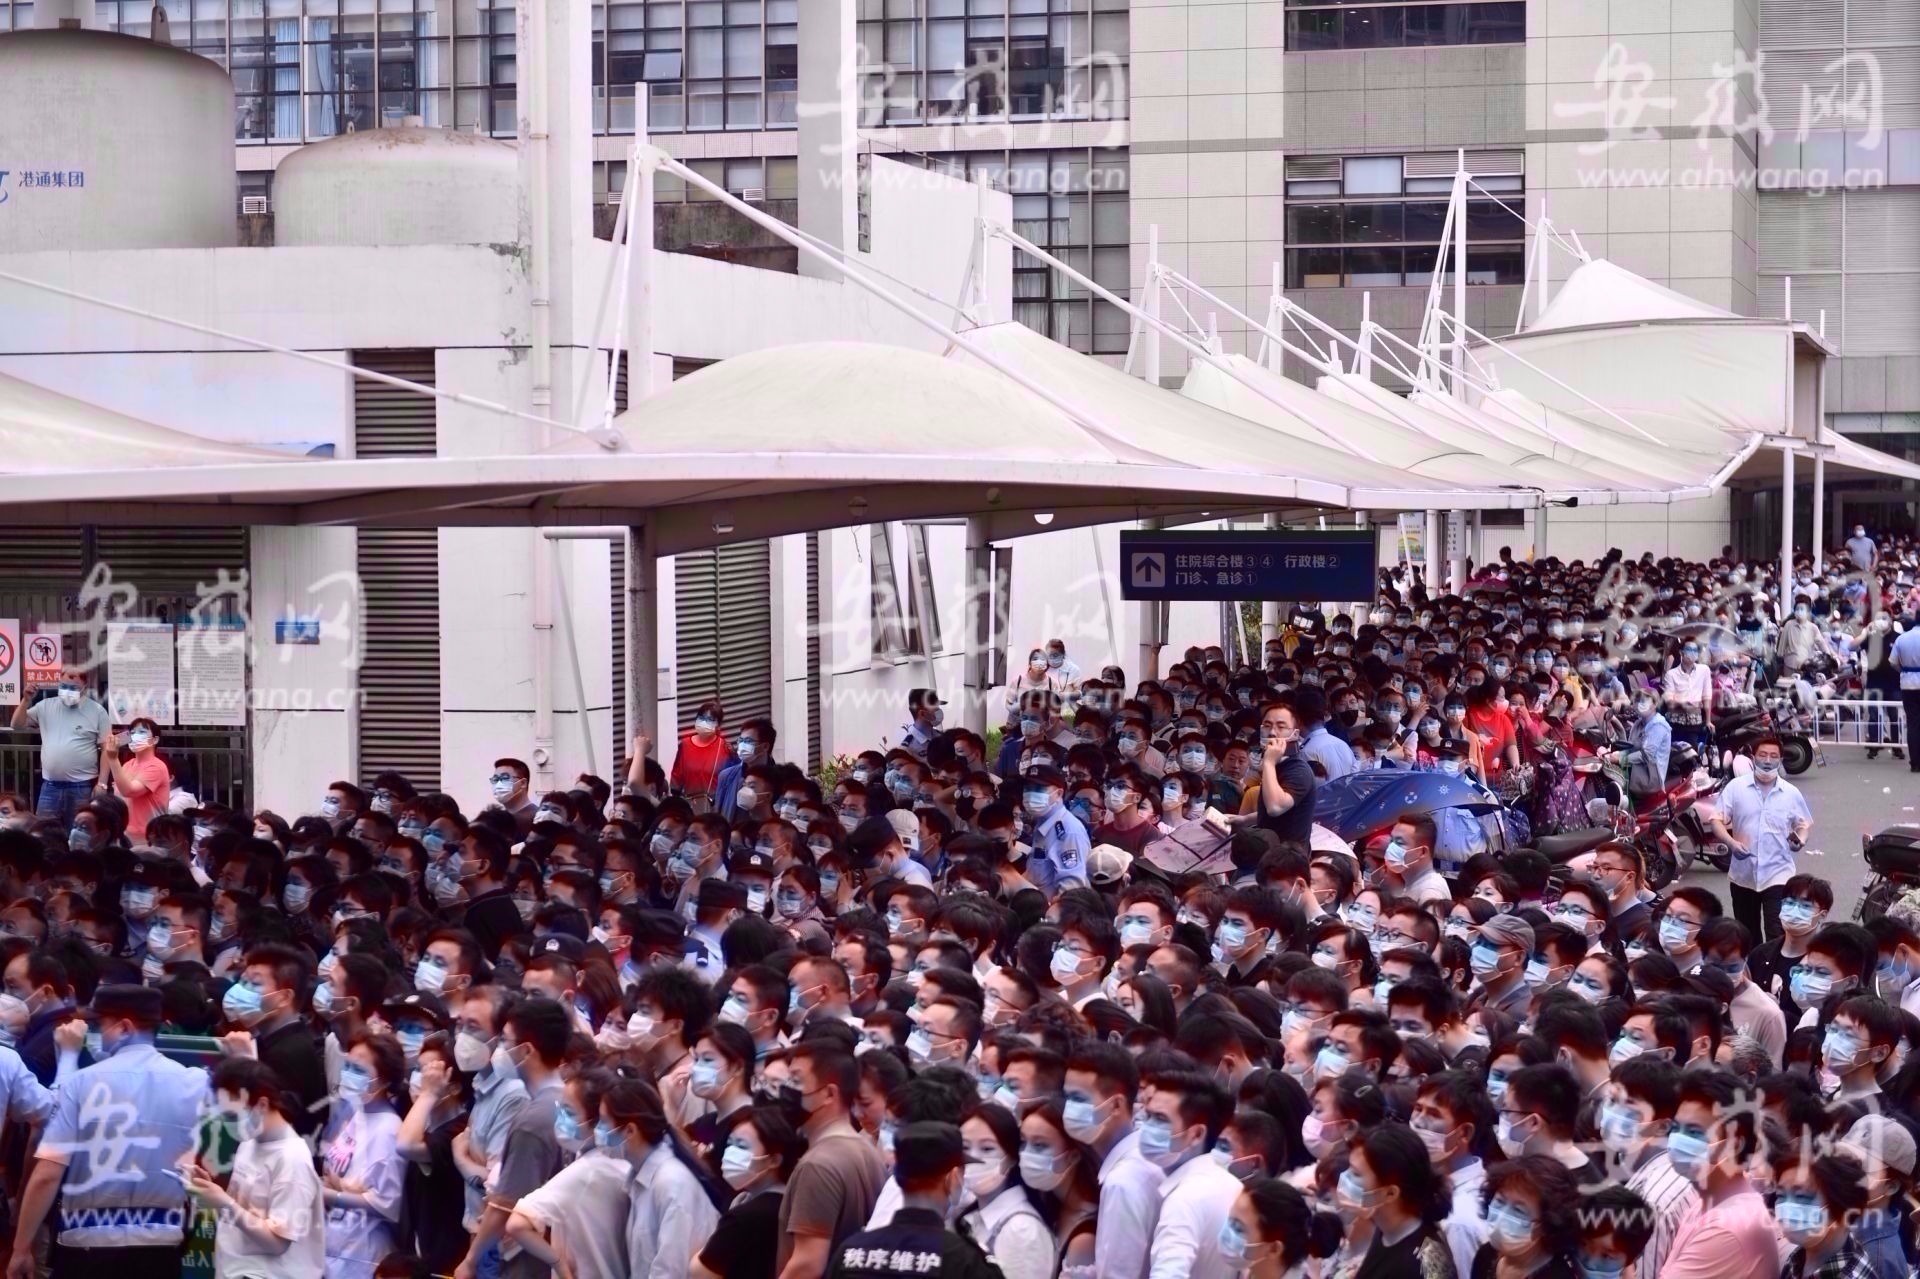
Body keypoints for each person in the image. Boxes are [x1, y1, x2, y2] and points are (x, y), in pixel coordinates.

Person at [7, 984, 206, 1279]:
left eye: (101, 1025)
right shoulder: (194, 1082)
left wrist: (21, 1247)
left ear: (124, 1026)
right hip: (161, 1244)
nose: (97, 1033)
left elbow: (48, 1173)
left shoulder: (80, 1083)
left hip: (88, 1244)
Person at [186, 1056, 328, 1279]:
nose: (228, 1123)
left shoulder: (292, 1160)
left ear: (262, 1104)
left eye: (233, 1114)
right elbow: (241, 1209)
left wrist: (225, 1204)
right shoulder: (249, 1143)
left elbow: (277, 1243)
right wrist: (211, 1192)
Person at [823, 1121, 1004, 1279]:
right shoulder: (967, 1261)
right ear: (952, 1177)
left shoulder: (851, 1252)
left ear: (899, 1177)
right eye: (962, 1172)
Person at [503, 1065, 630, 1279]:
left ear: (597, 1121)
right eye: (560, 1108)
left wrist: (560, 1266)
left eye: (569, 1112)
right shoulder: (619, 1161)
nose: (560, 1118)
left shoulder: (587, 1171)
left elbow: (517, 1224)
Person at [778, 1043, 888, 1279]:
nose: (786, 1090)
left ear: (829, 1093)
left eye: (796, 1081)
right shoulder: (868, 1151)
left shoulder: (817, 1165)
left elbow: (807, 1264)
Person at [1655, 1070, 1778, 1279]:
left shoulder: (1726, 1228)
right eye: (1676, 1128)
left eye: (1694, 1132)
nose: (1678, 1140)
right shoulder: (1708, 1201)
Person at [600, 1077, 722, 1279]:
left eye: (604, 1122)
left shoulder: (672, 1183)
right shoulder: (642, 1177)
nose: (599, 1131)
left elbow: (671, 1270)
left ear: (630, 1130)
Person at [321, 1031, 408, 1278]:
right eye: (347, 1066)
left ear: (384, 1080)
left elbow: (385, 1203)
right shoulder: (356, 1113)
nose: (349, 1074)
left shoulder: (389, 1129)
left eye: (359, 1070)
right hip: (335, 1241)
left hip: (364, 1252)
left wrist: (330, 1195)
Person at [1710, 735, 1812, 942]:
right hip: (1743, 874)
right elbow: (1716, 820)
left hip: (1779, 873)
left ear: (1780, 760)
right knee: (1747, 934)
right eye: (1763, 755)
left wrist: (1800, 840)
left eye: (1773, 756)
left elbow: (1803, 824)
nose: (1767, 760)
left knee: (1777, 932)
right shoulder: (1736, 788)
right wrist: (1731, 843)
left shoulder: (1791, 793)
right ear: (1753, 758)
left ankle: (1774, 963)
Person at [692, 1104, 802, 1279]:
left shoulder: (745, 1217)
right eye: (730, 1143)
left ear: (774, 1160)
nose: (731, 1153)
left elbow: (700, 1273)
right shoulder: (790, 1201)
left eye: (742, 1146)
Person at [1340, 1123, 1458, 1279]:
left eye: (1356, 1174)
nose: (1344, 1177)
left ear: (1390, 1193)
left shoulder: (1417, 1267)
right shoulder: (1385, 1226)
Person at [956, 1103, 1053, 1279]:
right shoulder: (972, 1217)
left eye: (987, 1149)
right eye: (965, 1148)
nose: (973, 1157)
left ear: (1012, 1158)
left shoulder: (1021, 1229)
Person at [7, 663, 110, 825]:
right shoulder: (45, 706)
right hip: (50, 786)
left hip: (81, 787)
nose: (68, 691)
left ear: (84, 686)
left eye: (73, 687)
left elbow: (107, 748)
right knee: (43, 830)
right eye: (64, 686)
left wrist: (102, 783)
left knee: (79, 829)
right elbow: (17, 725)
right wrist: (26, 700)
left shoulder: (97, 711)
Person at [1469, 1154, 1580, 1279]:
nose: (1502, 1216)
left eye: (1518, 1211)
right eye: (1500, 1201)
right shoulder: (1485, 1255)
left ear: (1546, 1225)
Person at [1219, 1178, 1344, 1279]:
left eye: (1239, 1229)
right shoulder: (1251, 1271)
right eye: (1230, 1219)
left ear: (1274, 1248)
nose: (1226, 1232)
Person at [103, 717, 172, 844]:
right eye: (133, 732)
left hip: (149, 837)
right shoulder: (128, 765)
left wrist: (113, 759)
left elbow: (129, 791)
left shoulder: (156, 766)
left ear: (155, 740)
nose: (135, 736)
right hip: (125, 835)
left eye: (142, 732)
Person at [1890, 613, 1920, 773]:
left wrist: (1903, 671)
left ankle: (1915, 762)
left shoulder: (1902, 639)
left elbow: (1893, 661)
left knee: (1913, 723)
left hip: (1908, 684)